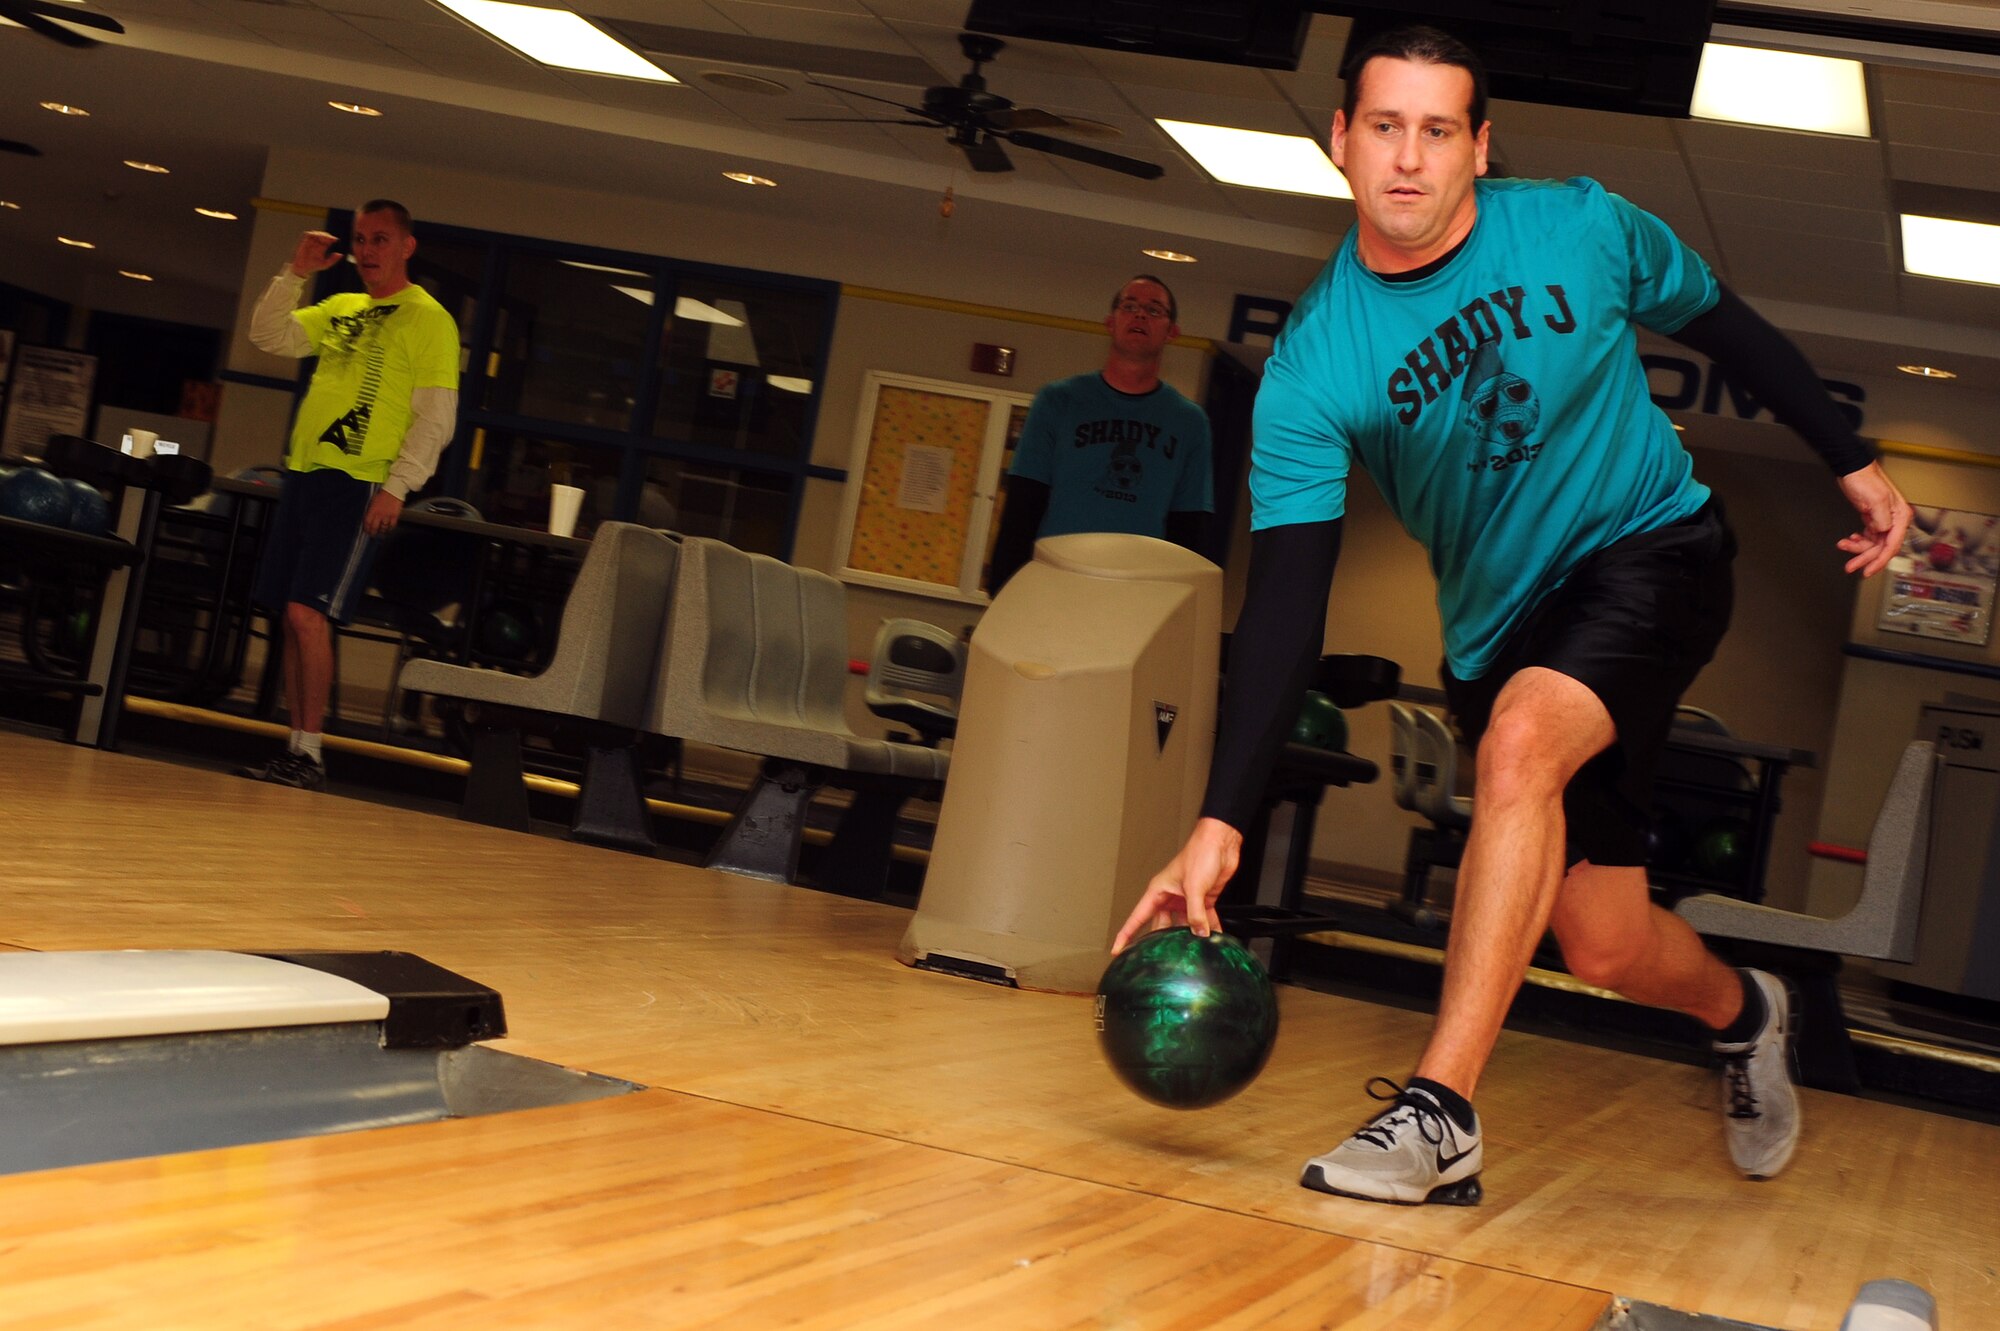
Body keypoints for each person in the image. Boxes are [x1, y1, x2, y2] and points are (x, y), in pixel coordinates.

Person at [1112, 26, 1912, 1206]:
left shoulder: (1582, 227)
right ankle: (1749, 1010)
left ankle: (1439, 1113)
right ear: (1340, 139)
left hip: (1652, 551)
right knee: (1602, 942)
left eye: (1436, 130)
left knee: (1518, 745)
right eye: (1383, 126)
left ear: (1479, 147)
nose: (1407, 158)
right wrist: (1219, 816)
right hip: (1498, 631)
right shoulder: (1315, 363)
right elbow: (1284, 598)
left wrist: (1849, 457)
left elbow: (1724, 328)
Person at [241, 199, 461, 790]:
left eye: (380, 239)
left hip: (359, 482)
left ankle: (311, 755)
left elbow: (436, 418)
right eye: (361, 239)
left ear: (407, 247)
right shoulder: (342, 308)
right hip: (305, 474)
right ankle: (296, 750)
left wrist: (397, 487)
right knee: (293, 616)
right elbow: (266, 334)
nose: (367, 250)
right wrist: (294, 272)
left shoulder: (429, 319)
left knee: (307, 613)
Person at [985, 276, 1214, 592]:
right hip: (1053, 581)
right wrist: (1004, 589)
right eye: (1129, 306)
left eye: (1154, 310)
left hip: (1137, 590)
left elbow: (1189, 527)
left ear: (1172, 332)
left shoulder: (1189, 422)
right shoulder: (1058, 401)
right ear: (1110, 322)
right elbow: (1023, 503)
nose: (1140, 315)